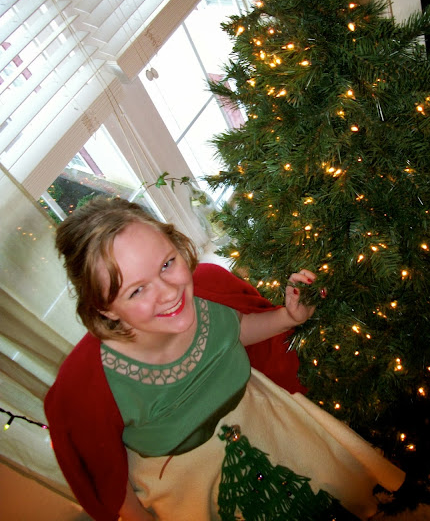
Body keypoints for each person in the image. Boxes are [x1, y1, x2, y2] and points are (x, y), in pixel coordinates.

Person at [45, 196, 404, 521]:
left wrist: (288, 317)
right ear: (104, 310)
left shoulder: (207, 292)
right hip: (188, 484)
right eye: (137, 290)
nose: (169, 293)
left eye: (167, 264)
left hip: (267, 424)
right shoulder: (93, 385)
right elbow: (111, 483)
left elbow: (234, 331)